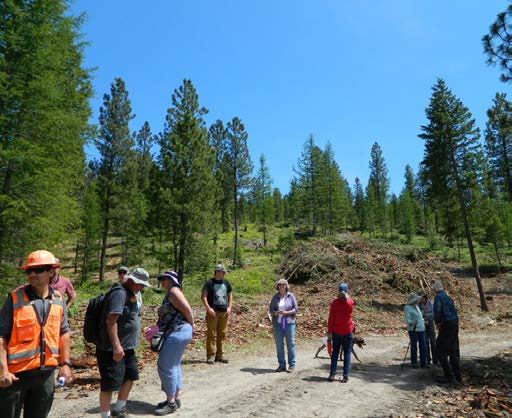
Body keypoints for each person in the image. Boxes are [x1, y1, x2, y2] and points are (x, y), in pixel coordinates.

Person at [0, 250, 72, 418]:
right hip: (15, 376)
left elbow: (64, 333)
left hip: (46, 374)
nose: (32, 274)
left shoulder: (59, 299)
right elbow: (1, 337)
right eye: (29, 271)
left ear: (51, 271)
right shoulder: (14, 299)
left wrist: (66, 364)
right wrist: (3, 370)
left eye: (38, 270)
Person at [96, 267, 150, 418]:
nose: (142, 288)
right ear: (132, 281)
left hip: (127, 347)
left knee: (130, 376)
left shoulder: (130, 293)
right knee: (109, 384)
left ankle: (119, 408)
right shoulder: (119, 293)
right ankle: (105, 415)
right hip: (111, 348)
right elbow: (111, 321)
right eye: (141, 284)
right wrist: (116, 346)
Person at [145, 271, 194, 416]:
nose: (161, 281)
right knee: (174, 365)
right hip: (177, 332)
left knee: (165, 366)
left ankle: (171, 402)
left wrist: (192, 327)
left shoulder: (174, 292)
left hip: (178, 332)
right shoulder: (171, 293)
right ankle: (173, 399)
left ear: (171, 280)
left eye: (163, 279)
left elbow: (188, 310)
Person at [201, 264, 232, 364]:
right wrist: (208, 308)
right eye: (222, 272)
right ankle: (210, 355)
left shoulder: (226, 283)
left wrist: (229, 307)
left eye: (224, 272)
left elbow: (230, 295)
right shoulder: (210, 283)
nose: (223, 274)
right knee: (211, 334)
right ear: (217, 272)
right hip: (213, 313)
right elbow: (203, 296)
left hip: (224, 312)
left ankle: (220, 355)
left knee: (222, 334)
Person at [433, 281, 461, 384]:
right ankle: (457, 376)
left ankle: (450, 376)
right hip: (454, 323)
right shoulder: (449, 297)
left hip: (446, 324)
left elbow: (437, 311)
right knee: (454, 350)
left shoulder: (438, 297)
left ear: (435, 290)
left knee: (440, 350)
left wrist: (438, 323)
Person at [269, 278, 298, 373]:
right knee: (279, 345)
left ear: (286, 286)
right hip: (278, 323)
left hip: (288, 322)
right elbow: (271, 310)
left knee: (290, 344)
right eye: (280, 285)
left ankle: (292, 365)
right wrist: (276, 313)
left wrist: (287, 312)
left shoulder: (291, 296)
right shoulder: (275, 297)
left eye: (283, 284)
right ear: (277, 286)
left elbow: (295, 309)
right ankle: (282, 365)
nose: (281, 286)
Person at [327, 283, 355, 382]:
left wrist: (329, 332)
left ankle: (332, 374)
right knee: (347, 353)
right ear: (348, 291)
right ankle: (345, 376)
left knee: (335, 353)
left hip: (337, 331)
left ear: (338, 292)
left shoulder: (334, 303)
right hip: (348, 331)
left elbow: (331, 319)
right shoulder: (351, 302)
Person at [404, 292, 427, 368]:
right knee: (414, 346)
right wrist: (412, 323)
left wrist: (423, 321)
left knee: (423, 346)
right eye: (416, 299)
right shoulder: (407, 307)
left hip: (421, 328)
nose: (418, 301)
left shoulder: (416, 306)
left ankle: (423, 363)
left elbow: (420, 317)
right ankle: (414, 362)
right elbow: (408, 320)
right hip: (413, 329)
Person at [419, 292, 437, 365]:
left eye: (422, 299)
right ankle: (427, 359)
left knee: (433, 341)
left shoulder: (431, 304)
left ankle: (435, 359)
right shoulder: (419, 305)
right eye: (420, 299)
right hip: (423, 323)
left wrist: (426, 315)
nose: (421, 300)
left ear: (425, 298)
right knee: (425, 342)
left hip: (430, 322)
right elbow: (419, 314)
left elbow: (433, 313)